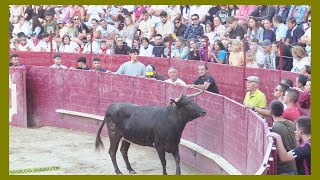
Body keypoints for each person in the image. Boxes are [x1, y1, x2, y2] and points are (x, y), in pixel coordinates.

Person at [269, 100, 297, 175]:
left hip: (283, 169)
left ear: (271, 112)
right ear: (282, 111)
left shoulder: (275, 128)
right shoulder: (291, 123)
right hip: (294, 165)